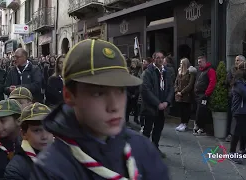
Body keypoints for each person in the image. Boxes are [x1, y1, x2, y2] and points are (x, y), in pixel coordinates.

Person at [30, 39, 169, 179]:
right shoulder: (50, 170)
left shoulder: (142, 148)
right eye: (98, 93)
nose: (114, 106)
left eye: (120, 90)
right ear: (69, 95)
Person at [4, 103, 53, 180]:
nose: (45, 136)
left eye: (49, 129)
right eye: (37, 130)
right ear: (24, 134)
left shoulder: (64, 156)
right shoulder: (16, 169)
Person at [141, 51, 174, 156]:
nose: (160, 59)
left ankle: (155, 147)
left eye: (162, 57)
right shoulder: (147, 72)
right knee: (147, 129)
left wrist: (166, 102)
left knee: (158, 128)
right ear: (153, 59)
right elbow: (146, 90)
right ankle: (144, 150)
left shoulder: (166, 72)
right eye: (158, 58)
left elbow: (170, 88)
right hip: (150, 106)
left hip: (163, 106)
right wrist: (157, 103)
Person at [193, 56, 217, 136]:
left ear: (204, 61)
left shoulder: (210, 70)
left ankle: (201, 127)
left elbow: (212, 82)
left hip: (203, 95)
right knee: (198, 110)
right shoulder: (200, 71)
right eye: (198, 62)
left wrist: (207, 94)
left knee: (201, 111)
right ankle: (198, 126)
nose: (198, 63)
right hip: (198, 94)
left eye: (200, 62)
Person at [225, 55, 246, 142]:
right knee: (231, 115)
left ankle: (241, 135)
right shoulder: (232, 69)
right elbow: (228, 81)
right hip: (232, 94)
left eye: (238, 60)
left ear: (243, 61)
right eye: (235, 60)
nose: (236, 62)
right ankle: (230, 134)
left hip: (243, 96)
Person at [174, 58, 196, 132]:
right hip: (179, 94)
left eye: (181, 63)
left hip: (186, 94)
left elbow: (190, 84)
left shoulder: (190, 72)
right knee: (181, 109)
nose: (180, 64)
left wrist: (182, 92)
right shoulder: (179, 72)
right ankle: (181, 123)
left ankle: (185, 124)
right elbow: (176, 82)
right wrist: (177, 90)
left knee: (186, 109)